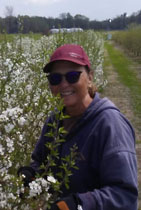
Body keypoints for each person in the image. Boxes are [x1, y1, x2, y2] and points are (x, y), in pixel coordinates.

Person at [19, 44, 138, 210]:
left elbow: (124, 195)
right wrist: (30, 174)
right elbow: (41, 162)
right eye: (55, 79)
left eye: (73, 76)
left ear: (89, 77)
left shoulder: (110, 125)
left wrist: (80, 204)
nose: (63, 84)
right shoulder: (55, 120)